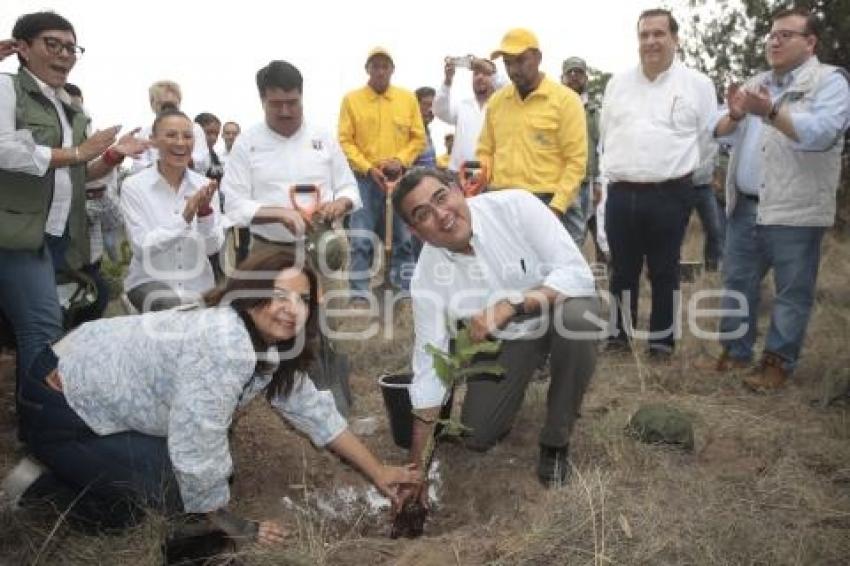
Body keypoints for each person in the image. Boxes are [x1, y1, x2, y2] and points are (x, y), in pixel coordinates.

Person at [5, 249, 419, 542]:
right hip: (59, 400)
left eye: (303, 299)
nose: (290, 308)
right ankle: (39, 486)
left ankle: (76, 465)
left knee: (206, 480)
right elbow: (198, 437)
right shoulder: (225, 341)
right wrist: (226, 523)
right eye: (277, 294)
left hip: (86, 380)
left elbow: (314, 411)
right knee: (173, 494)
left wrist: (379, 470)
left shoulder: (269, 346)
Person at [392, 168, 600, 491]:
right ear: (414, 231)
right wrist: (416, 469)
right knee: (476, 434)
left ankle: (556, 439)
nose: (442, 215)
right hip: (510, 341)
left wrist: (513, 304)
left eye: (441, 198)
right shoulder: (426, 279)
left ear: (458, 189)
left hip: (557, 310)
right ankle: (530, 365)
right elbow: (429, 370)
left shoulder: (516, 207)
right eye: (424, 214)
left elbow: (578, 275)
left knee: (580, 320)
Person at [0, 11, 147, 406]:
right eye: (53, 44)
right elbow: (6, 150)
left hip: (57, 236)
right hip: (14, 234)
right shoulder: (6, 88)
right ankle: (41, 421)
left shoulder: (70, 108)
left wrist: (113, 156)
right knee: (42, 326)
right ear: (23, 48)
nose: (65, 54)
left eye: (71, 47)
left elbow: (82, 172)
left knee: (50, 322)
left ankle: (31, 414)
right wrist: (81, 151)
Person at [699, 7, 850, 391]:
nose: (775, 41)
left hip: (794, 210)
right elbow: (718, 131)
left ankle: (777, 363)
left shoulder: (830, 82)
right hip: (747, 205)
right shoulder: (757, 81)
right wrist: (734, 115)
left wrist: (770, 110)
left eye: (786, 35)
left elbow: (821, 133)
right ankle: (735, 354)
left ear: (810, 42)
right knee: (737, 283)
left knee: (792, 292)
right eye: (771, 35)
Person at [599, 8, 718, 358]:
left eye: (658, 34)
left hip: (671, 193)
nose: (650, 41)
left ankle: (661, 344)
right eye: (644, 35)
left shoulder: (697, 85)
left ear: (675, 39)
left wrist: (683, 180)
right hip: (621, 192)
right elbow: (607, 136)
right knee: (622, 271)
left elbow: (707, 140)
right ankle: (619, 339)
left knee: (665, 270)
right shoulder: (617, 84)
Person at [222, 60, 360, 267]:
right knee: (268, 301)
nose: (285, 111)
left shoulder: (324, 139)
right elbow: (234, 204)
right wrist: (279, 214)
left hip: (323, 247)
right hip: (267, 252)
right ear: (262, 101)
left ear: (302, 97)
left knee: (332, 300)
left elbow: (348, 187)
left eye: (292, 102)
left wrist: (341, 203)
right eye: (276, 104)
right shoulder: (246, 143)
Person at [478, 29, 588, 234]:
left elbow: (576, 161)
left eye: (520, 60)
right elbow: (485, 150)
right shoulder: (497, 102)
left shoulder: (565, 101)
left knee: (556, 266)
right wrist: (481, 181)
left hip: (550, 200)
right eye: (508, 63)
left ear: (538, 58)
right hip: (503, 201)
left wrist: (556, 208)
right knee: (507, 266)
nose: (513, 69)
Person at [338, 47, 425, 298]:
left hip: (399, 180)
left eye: (384, 66)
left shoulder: (407, 99)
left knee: (403, 239)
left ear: (392, 70)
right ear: (367, 69)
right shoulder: (351, 100)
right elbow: (344, 141)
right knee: (361, 239)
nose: (380, 71)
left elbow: (418, 138)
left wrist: (401, 160)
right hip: (365, 180)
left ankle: (404, 293)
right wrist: (367, 167)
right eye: (374, 66)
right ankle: (359, 295)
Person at [121, 108, 225, 312]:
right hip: (148, 284)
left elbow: (212, 248)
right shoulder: (134, 186)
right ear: (153, 140)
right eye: (171, 135)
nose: (180, 143)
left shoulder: (205, 186)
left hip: (198, 287)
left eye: (187, 136)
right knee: (169, 307)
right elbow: (142, 248)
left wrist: (204, 214)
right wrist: (184, 219)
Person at [433, 56, 500, 173]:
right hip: (459, 174)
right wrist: (447, 81)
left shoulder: (503, 106)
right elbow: (439, 110)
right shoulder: (463, 106)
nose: (479, 77)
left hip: (490, 174)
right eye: (476, 74)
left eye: (485, 74)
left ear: (494, 78)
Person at [560, 56, 601, 248]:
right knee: (564, 234)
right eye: (570, 72)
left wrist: (598, 182)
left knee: (585, 232)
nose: (574, 76)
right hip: (560, 181)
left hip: (586, 182)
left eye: (579, 72)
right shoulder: (554, 106)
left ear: (586, 78)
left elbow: (601, 147)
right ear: (563, 78)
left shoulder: (594, 111)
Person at [130, 80, 210, 175]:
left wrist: (171, 160)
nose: (168, 110)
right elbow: (139, 167)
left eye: (172, 105)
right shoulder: (145, 133)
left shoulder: (194, 129)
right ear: (152, 104)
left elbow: (202, 162)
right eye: (162, 104)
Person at [194, 112, 224, 182]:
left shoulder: (215, 157)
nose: (213, 138)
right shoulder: (188, 157)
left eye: (216, 134)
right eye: (209, 133)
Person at [413, 86, 437, 168]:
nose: (431, 109)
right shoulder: (407, 133)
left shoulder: (426, 131)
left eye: (434, 105)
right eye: (426, 104)